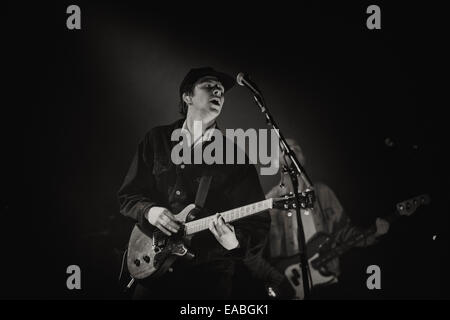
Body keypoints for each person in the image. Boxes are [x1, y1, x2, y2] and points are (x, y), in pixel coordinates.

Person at [117, 67, 270, 299]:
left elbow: (259, 224)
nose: (218, 91)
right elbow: (128, 196)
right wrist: (150, 211)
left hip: (207, 277)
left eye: (221, 90)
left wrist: (234, 241)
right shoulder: (156, 139)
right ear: (187, 97)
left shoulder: (235, 157)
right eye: (209, 86)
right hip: (153, 271)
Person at [249, 138, 390, 299]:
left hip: (327, 283)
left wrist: (374, 233)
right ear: (274, 162)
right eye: (283, 149)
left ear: (303, 158)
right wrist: (278, 280)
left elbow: (343, 233)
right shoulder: (268, 204)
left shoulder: (322, 192)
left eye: (297, 147)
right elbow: (252, 256)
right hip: (287, 291)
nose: (291, 150)